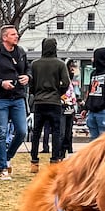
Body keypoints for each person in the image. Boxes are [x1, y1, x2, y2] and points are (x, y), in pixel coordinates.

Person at [0, 25, 31, 179]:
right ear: (4, 37)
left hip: (18, 98)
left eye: (16, 34)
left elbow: (28, 69)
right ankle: (3, 167)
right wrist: (0, 82)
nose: (16, 37)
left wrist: (27, 77)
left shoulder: (21, 52)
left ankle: (8, 155)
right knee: (2, 132)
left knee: (22, 131)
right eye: (13, 34)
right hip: (1, 99)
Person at [27, 37, 69, 172]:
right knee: (56, 132)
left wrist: (35, 92)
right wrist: (58, 92)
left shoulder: (35, 64)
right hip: (54, 102)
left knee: (36, 133)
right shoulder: (60, 64)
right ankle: (54, 161)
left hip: (39, 101)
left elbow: (31, 84)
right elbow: (66, 83)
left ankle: (34, 161)